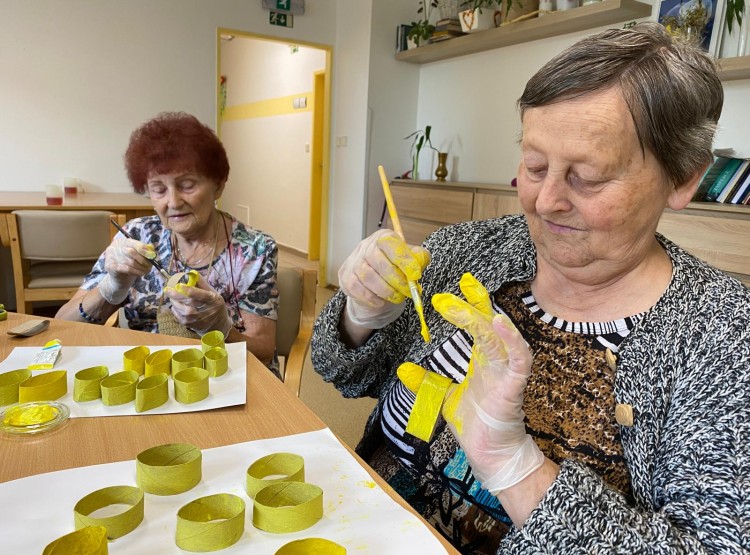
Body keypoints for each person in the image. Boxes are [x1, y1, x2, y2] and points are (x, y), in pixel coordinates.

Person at [311, 23, 749, 554]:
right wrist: (361, 313)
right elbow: (342, 372)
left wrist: (516, 467)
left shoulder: (722, 342)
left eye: (586, 177)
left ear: (683, 179)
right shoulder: (473, 250)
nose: (544, 202)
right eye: (534, 165)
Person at [57, 112, 279, 375]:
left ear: (218, 186)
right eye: (159, 189)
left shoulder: (254, 250)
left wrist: (222, 329)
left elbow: (264, 350)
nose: (172, 202)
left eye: (187, 185)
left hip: (224, 374)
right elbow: (64, 326)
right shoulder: (136, 235)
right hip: (149, 376)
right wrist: (111, 289)